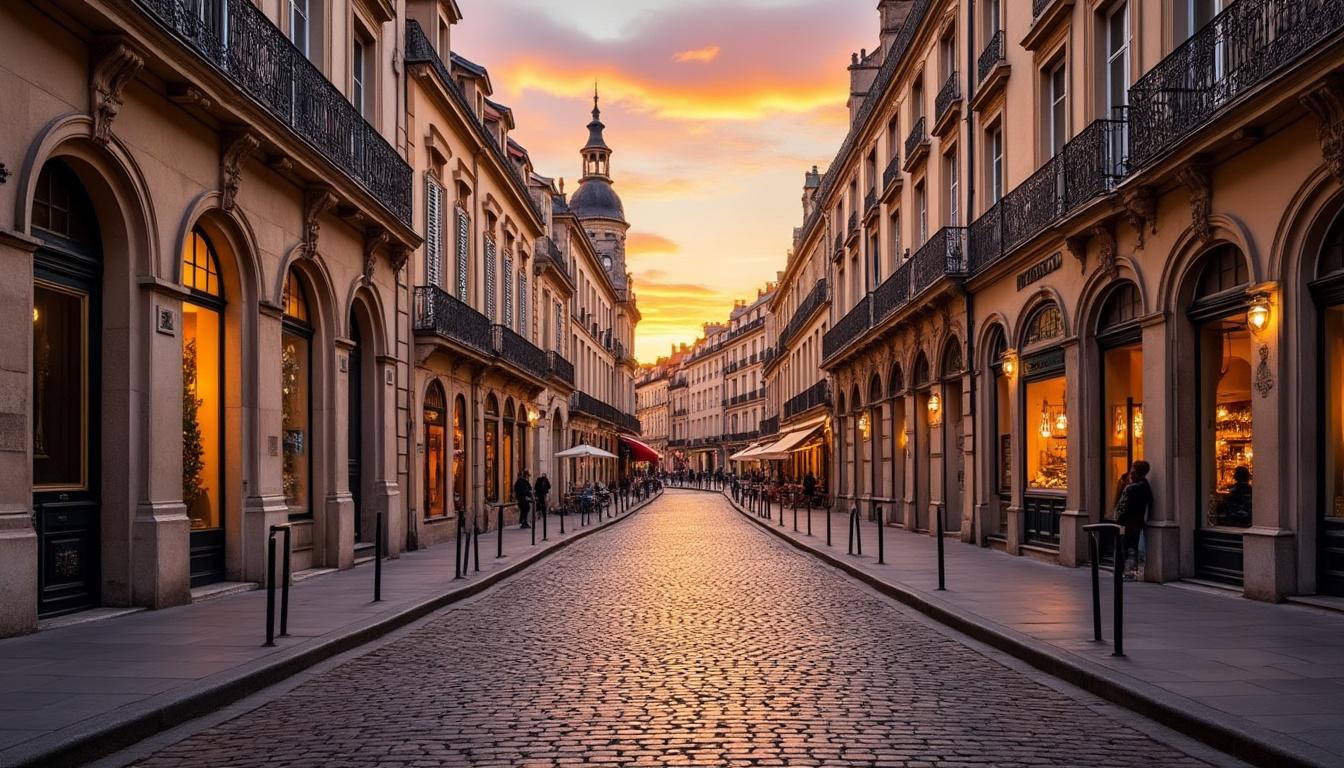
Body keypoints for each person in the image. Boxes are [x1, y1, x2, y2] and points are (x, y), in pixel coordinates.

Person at [1115, 460, 1153, 581]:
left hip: (1127, 522)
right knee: (1134, 547)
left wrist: (1117, 519)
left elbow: (1121, 507)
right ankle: (1131, 572)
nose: (1130, 474)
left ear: (1137, 473)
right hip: (1138, 522)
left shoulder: (1130, 488)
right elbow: (1150, 503)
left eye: (1132, 471)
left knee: (1127, 547)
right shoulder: (1146, 486)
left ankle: (1127, 572)